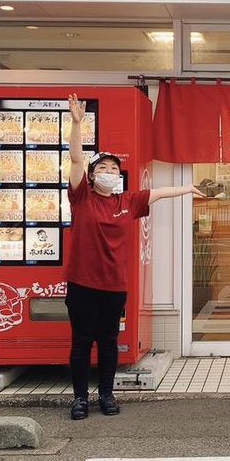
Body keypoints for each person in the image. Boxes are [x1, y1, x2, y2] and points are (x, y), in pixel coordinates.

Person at [65, 93, 202, 420]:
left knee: (110, 342)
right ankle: (80, 399)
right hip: (82, 283)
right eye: (102, 167)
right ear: (93, 174)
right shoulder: (82, 197)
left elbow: (159, 193)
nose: (109, 171)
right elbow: (73, 159)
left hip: (114, 284)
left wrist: (186, 188)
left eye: (114, 167)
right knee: (82, 342)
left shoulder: (128, 201)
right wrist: (76, 123)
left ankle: (107, 396)